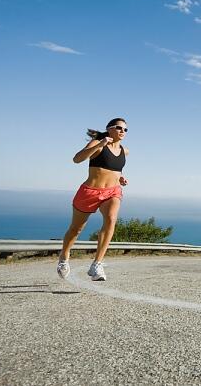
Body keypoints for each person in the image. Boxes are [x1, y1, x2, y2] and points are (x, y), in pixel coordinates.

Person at [57, 118, 129, 281]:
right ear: (109, 129)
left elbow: (114, 170)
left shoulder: (125, 151)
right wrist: (99, 145)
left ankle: (97, 264)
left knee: (111, 219)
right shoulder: (97, 143)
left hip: (112, 192)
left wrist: (121, 179)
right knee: (76, 229)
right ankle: (64, 256)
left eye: (125, 130)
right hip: (90, 192)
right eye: (119, 128)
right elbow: (77, 159)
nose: (123, 132)